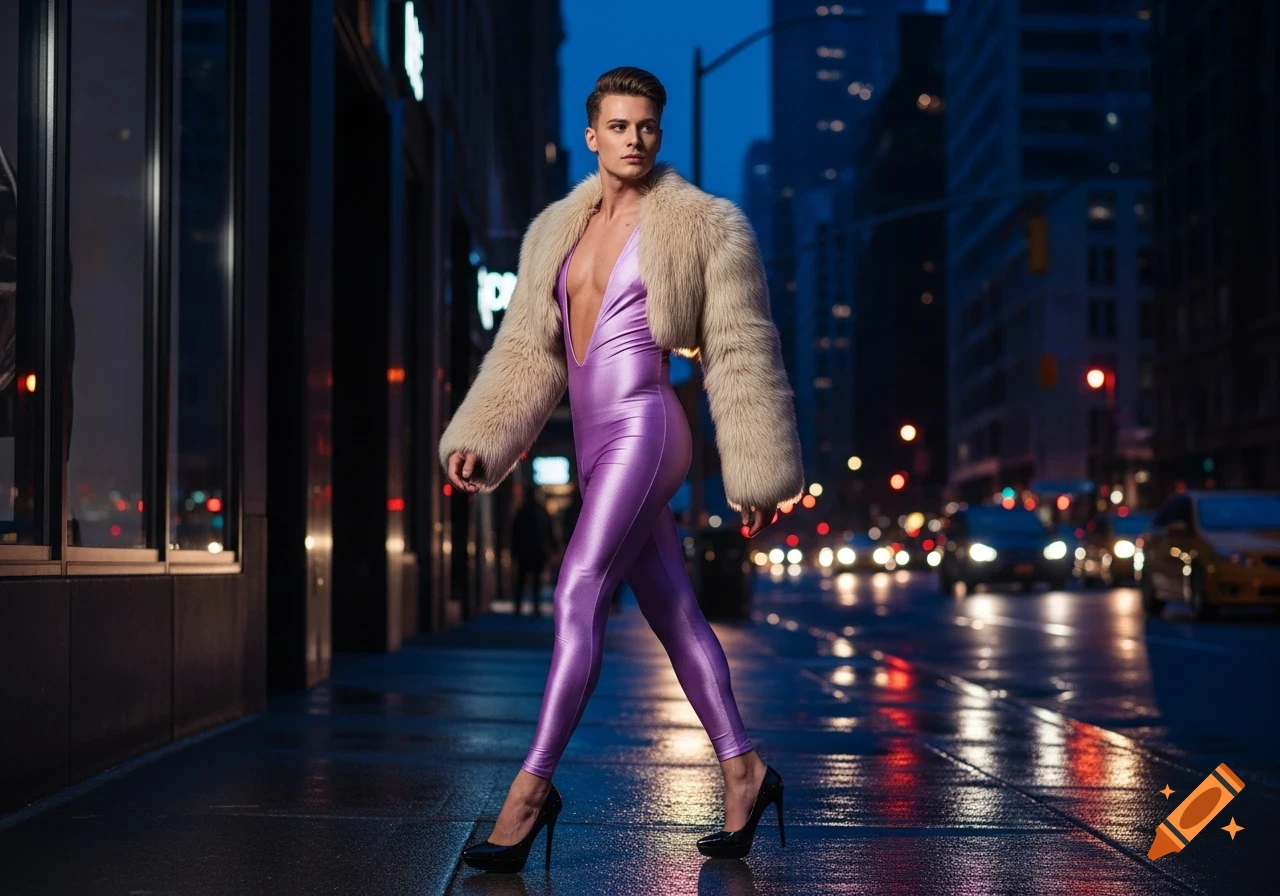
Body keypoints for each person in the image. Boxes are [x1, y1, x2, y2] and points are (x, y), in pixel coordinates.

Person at [440, 67, 804, 872]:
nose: (634, 139)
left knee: (577, 589)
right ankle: (744, 769)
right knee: (674, 612)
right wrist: (485, 434)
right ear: (593, 133)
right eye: (620, 125)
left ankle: (530, 793)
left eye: (647, 126)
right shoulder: (554, 235)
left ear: (657, 135)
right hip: (593, 440)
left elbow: (741, 344)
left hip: (648, 426)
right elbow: (527, 352)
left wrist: (759, 470)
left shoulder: (702, 227)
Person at [509, 494, 558, 616]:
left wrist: (513, 551)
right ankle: (535, 607)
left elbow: (514, 533)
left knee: (521, 580)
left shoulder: (521, 512)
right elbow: (549, 532)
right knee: (536, 581)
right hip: (537, 551)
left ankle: (518, 608)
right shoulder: (542, 512)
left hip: (523, 551)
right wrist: (554, 548)